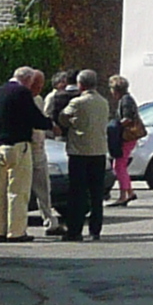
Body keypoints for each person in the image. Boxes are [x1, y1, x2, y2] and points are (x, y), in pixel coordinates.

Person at [54, 68, 115, 240]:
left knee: (77, 193)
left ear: (80, 84)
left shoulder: (78, 102)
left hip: (80, 152)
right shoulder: (103, 102)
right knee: (96, 193)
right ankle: (96, 229)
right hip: (99, 151)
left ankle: (75, 230)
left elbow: (62, 118)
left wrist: (72, 122)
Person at [0, 68, 49, 242]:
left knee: (0, 191)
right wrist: (49, 123)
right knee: (18, 191)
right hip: (18, 145)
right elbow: (34, 118)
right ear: (28, 79)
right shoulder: (22, 92)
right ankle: (16, 231)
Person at [110, 74, 143, 206]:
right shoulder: (126, 99)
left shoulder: (126, 100)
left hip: (127, 137)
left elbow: (128, 118)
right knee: (120, 165)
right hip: (129, 137)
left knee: (118, 166)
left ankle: (123, 195)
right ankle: (130, 192)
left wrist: (116, 126)